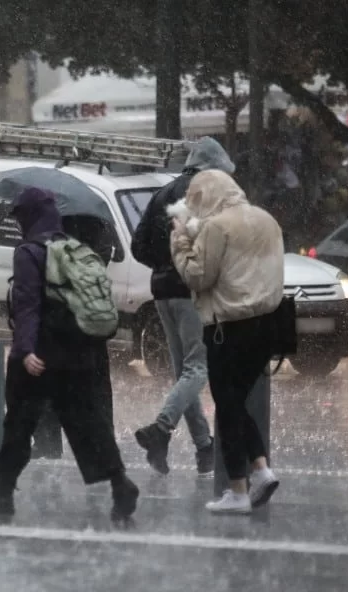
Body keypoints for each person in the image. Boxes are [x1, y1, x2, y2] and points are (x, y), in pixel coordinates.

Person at [0, 188, 138, 522]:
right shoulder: (75, 249)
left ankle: (0, 493)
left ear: (29, 217)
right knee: (88, 423)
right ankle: (121, 484)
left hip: (41, 358)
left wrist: (25, 351)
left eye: (19, 218)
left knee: (18, 425)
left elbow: (27, 306)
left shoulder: (30, 252)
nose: (18, 225)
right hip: (79, 354)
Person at [170, 169, 284, 514]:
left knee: (228, 405)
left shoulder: (218, 226)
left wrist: (180, 241)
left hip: (229, 327)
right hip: (269, 325)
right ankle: (260, 471)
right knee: (234, 402)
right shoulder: (267, 220)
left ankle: (239, 489)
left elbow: (197, 276)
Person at [130, 137, 236, 476]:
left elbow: (138, 245)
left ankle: (205, 448)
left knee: (184, 372)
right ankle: (160, 429)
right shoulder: (208, 192)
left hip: (161, 291)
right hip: (192, 289)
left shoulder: (163, 193)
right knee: (198, 367)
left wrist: (163, 265)